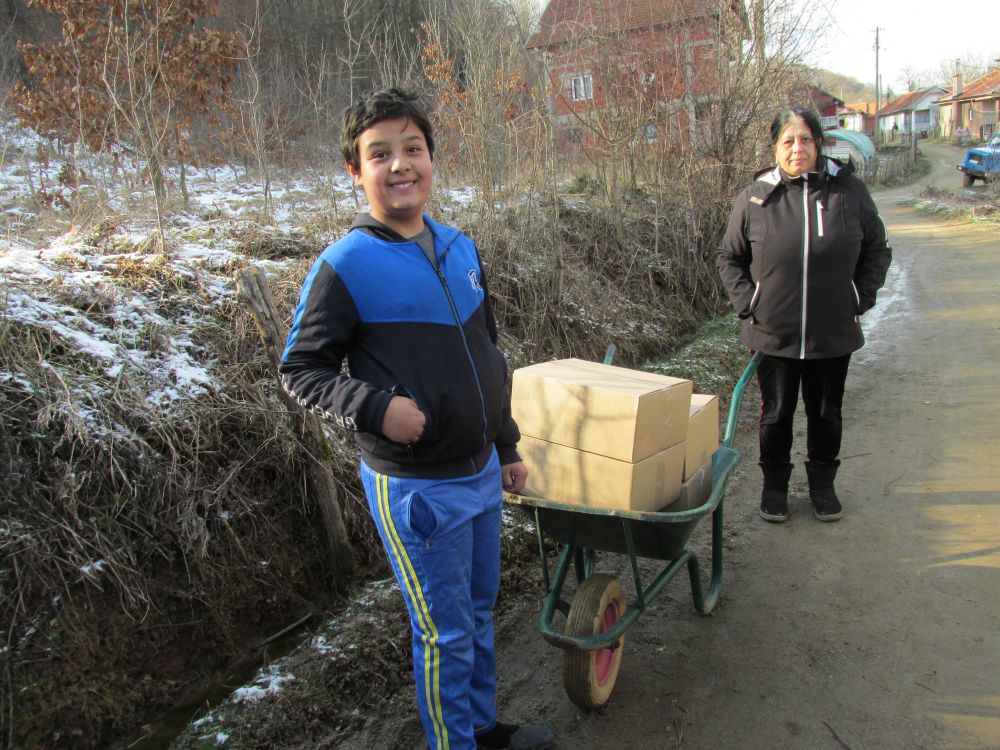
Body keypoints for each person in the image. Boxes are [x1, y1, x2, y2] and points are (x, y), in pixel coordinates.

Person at [279, 88, 554, 750]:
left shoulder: (460, 246)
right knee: (445, 630)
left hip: (482, 467)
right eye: (380, 154)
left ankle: (480, 728)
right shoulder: (344, 265)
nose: (400, 165)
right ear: (355, 170)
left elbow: (487, 353)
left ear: (432, 159)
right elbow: (299, 371)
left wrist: (507, 443)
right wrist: (376, 407)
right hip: (416, 487)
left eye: (413, 149)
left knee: (480, 610)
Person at [717, 107, 892, 523]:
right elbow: (729, 258)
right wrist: (750, 304)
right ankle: (774, 487)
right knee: (776, 414)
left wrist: (857, 298)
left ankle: (822, 486)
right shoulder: (757, 197)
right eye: (788, 141)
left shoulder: (848, 193)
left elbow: (878, 250)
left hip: (833, 333)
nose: (798, 149)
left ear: (819, 143)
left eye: (806, 140)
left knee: (826, 412)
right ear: (776, 147)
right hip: (773, 333)